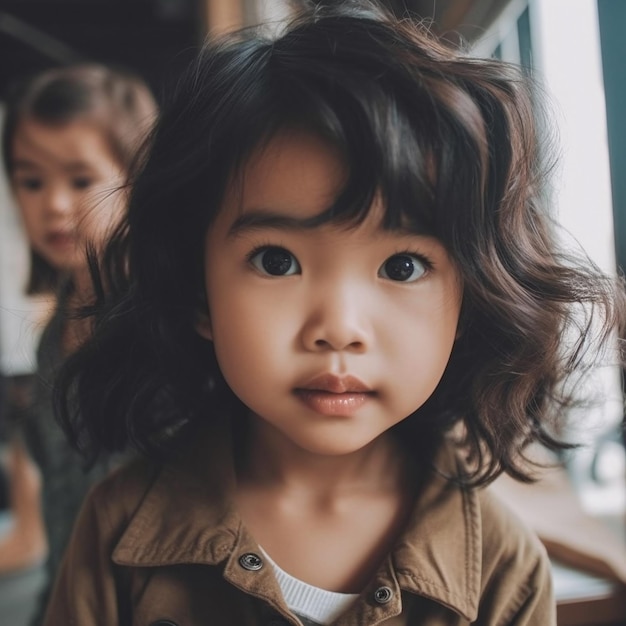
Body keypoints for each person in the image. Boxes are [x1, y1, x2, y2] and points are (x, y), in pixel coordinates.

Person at [45, 2, 625, 625]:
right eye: (276, 261)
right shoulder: (118, 533)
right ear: (196, 290)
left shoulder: (504, 569)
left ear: (470, 297)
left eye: (402, 266)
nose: (339, 329)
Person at [0, 63, 157, 624]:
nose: (55, 204)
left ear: (137, 179)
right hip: (70, 599)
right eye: (31, 180)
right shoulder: (49, 334)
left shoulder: (165, 318)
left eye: (81, 179)